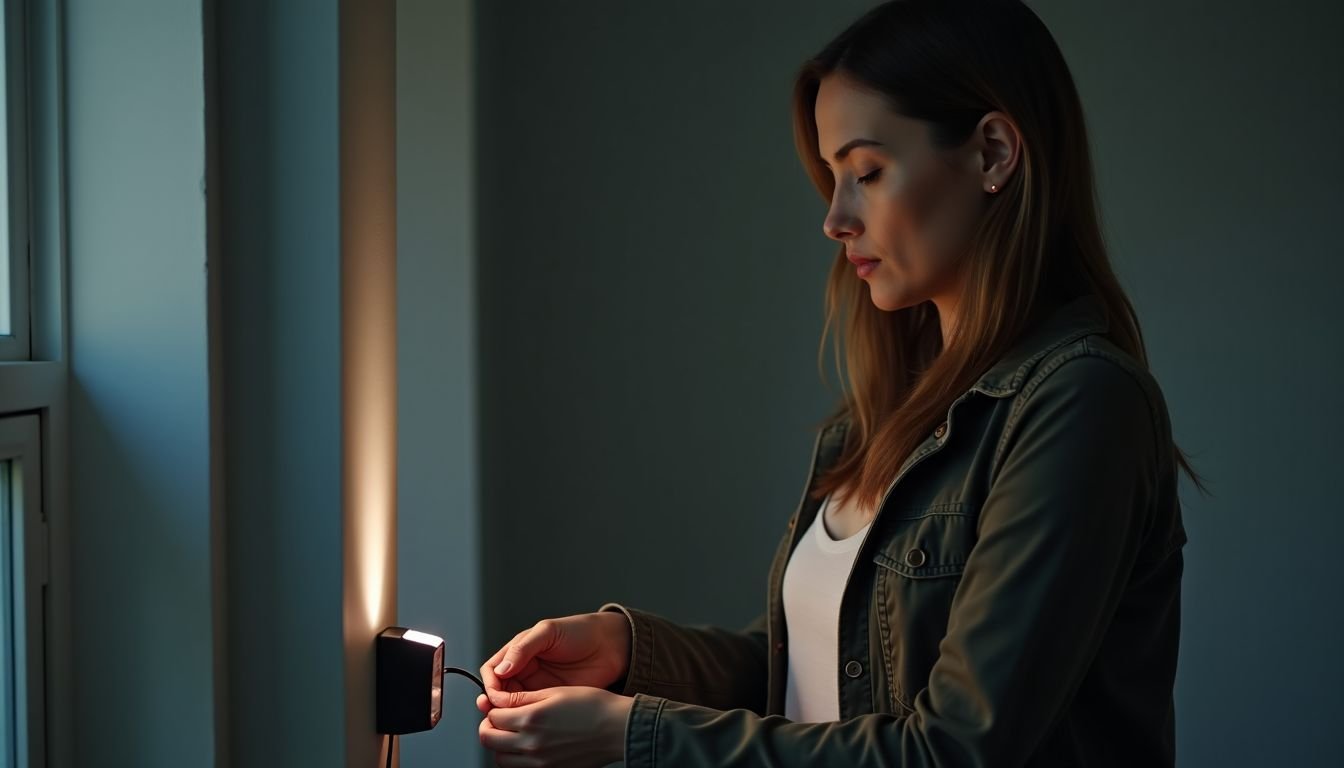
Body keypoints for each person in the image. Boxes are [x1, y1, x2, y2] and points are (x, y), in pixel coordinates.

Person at [475, 0, 1207, 765]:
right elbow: (822, 671)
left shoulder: (1079, 404)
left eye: (867, 171)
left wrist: (637, 736)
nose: (835, 218)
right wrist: (630, 653)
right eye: (832, 177)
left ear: (993, 153)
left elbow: (954, 749)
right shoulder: (881, 420)